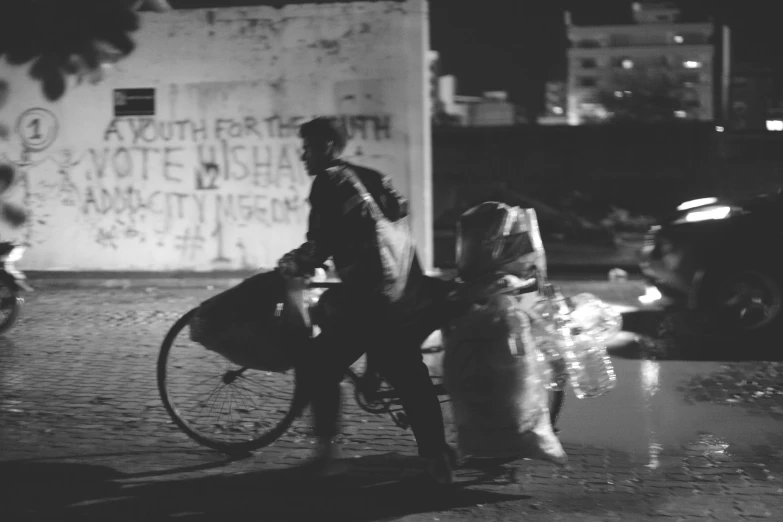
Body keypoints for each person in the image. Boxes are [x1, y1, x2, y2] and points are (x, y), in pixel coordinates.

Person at [277, 117, 456, 484]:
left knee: (320, 363)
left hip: (369, 296)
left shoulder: (329, 181)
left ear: (327, 146)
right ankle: (439, 456)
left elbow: (320, 243)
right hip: (401, 289)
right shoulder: (371, 177)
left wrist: (294, 263)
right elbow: (395, 224)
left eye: (308, 147)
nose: (303, 156)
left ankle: (328, 456)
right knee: (405, 370)